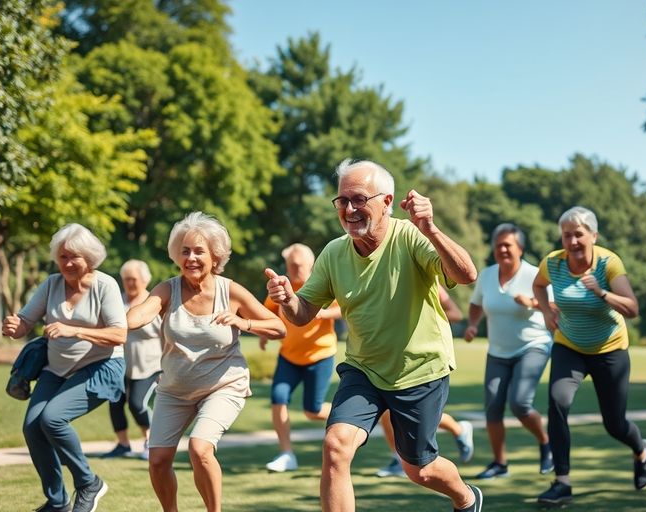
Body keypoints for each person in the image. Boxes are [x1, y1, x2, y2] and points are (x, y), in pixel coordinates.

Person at [265, 159, 483, 512]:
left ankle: (466, 497)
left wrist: (430, 228)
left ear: (387, 201)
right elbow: (302, 315)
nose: (349, 209)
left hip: (420, 371)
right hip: (364, 369)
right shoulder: (334, 252)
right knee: (336, 447)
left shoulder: (411, 236)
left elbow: (467, 274)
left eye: (359, 199)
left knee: (420, 470)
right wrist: (289, 299)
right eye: (342, 201)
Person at [127, 212, 286, 512]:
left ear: (215, 255)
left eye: (199, 251)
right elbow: (144, 310)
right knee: (158, 459)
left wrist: (243, 322)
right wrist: (123, 323)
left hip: (223, 385)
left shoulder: (231, 291)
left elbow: (279, 328)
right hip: (175, 388)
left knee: (199, 449)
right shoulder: (167, 289)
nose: (191, 258)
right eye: (185, 251)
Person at [2, 223, 128, 512]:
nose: (68, 263)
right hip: (56, 369)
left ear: (90, 258)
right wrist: (13, 326)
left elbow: (119, 334)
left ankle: (88, 483)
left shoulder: (104, 285)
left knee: (53, 419)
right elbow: (25, 322)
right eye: (62, 257)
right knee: (33, 427)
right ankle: (58, 502)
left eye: (74, 257)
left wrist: (75, 331)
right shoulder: (51, 284)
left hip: (101, 367)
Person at [532, 206, 646, 506]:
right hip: (569, 346)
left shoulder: (608, 263)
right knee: (558, 403)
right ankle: (562, 482)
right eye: (566, 235)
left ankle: (641, 450)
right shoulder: (553, 263)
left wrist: (601, 292)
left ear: (593, 236)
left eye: (579, 234)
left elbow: (633, 308)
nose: (572, 241)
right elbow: (538, 285)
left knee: (615, 424)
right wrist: (546, 311)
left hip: (610, 350)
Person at [464, 223, 554, 479]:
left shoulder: (535, 275)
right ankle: (499, 463)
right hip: (498, 351)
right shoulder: (487, 275)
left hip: (532, 345)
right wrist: (472, 325)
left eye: (508, 245)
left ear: (520, 248)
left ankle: (545, 441)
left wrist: (533, 303)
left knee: (519, 403)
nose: (502, 249)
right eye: (498, 245)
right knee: (493, 407)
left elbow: (555, 307)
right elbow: (475, 304)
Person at [376, 286, 474, 478]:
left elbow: (455, 313)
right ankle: (398, 458)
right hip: (389, 354)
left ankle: (459, 428)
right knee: (388, 411)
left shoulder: (427, 281)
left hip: (420, 359)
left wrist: (425, 314)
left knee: (413, 413)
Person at [260, 243, 341, 472]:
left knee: (313, 410)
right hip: (289, 356)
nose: (294, 269)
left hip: (320, 354)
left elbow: (344, 308)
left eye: (298, 265)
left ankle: (350, 419)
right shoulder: (282, 286)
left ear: (311, 264)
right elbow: (269, 311)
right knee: (278, 397)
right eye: (290, 265)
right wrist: (265, 335)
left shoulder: (321, 284)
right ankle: (286, 454)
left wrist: (324, 312)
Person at [101, 259, 162, 461]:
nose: (130, 283)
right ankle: (123, 444)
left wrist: (167, 367)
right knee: (114, 401)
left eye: (133, 279)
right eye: (126, 279)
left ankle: (150, 442)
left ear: (145, 280)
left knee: (137, 403)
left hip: (150, 364)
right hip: (121, 363)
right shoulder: (118, 301)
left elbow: (166, 336)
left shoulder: (154, 302)